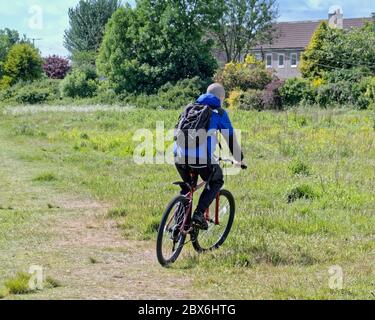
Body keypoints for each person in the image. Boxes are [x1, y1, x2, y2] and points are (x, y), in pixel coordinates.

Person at [174, 83, 245, 230]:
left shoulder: (190, 108)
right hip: (200, 159)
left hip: (178, 156)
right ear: (221, 97)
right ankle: (199, 214)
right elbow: (230, 138)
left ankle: (178, 226)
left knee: (188, 187)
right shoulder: (219, 113)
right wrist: (239, 158)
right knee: (216, 180)